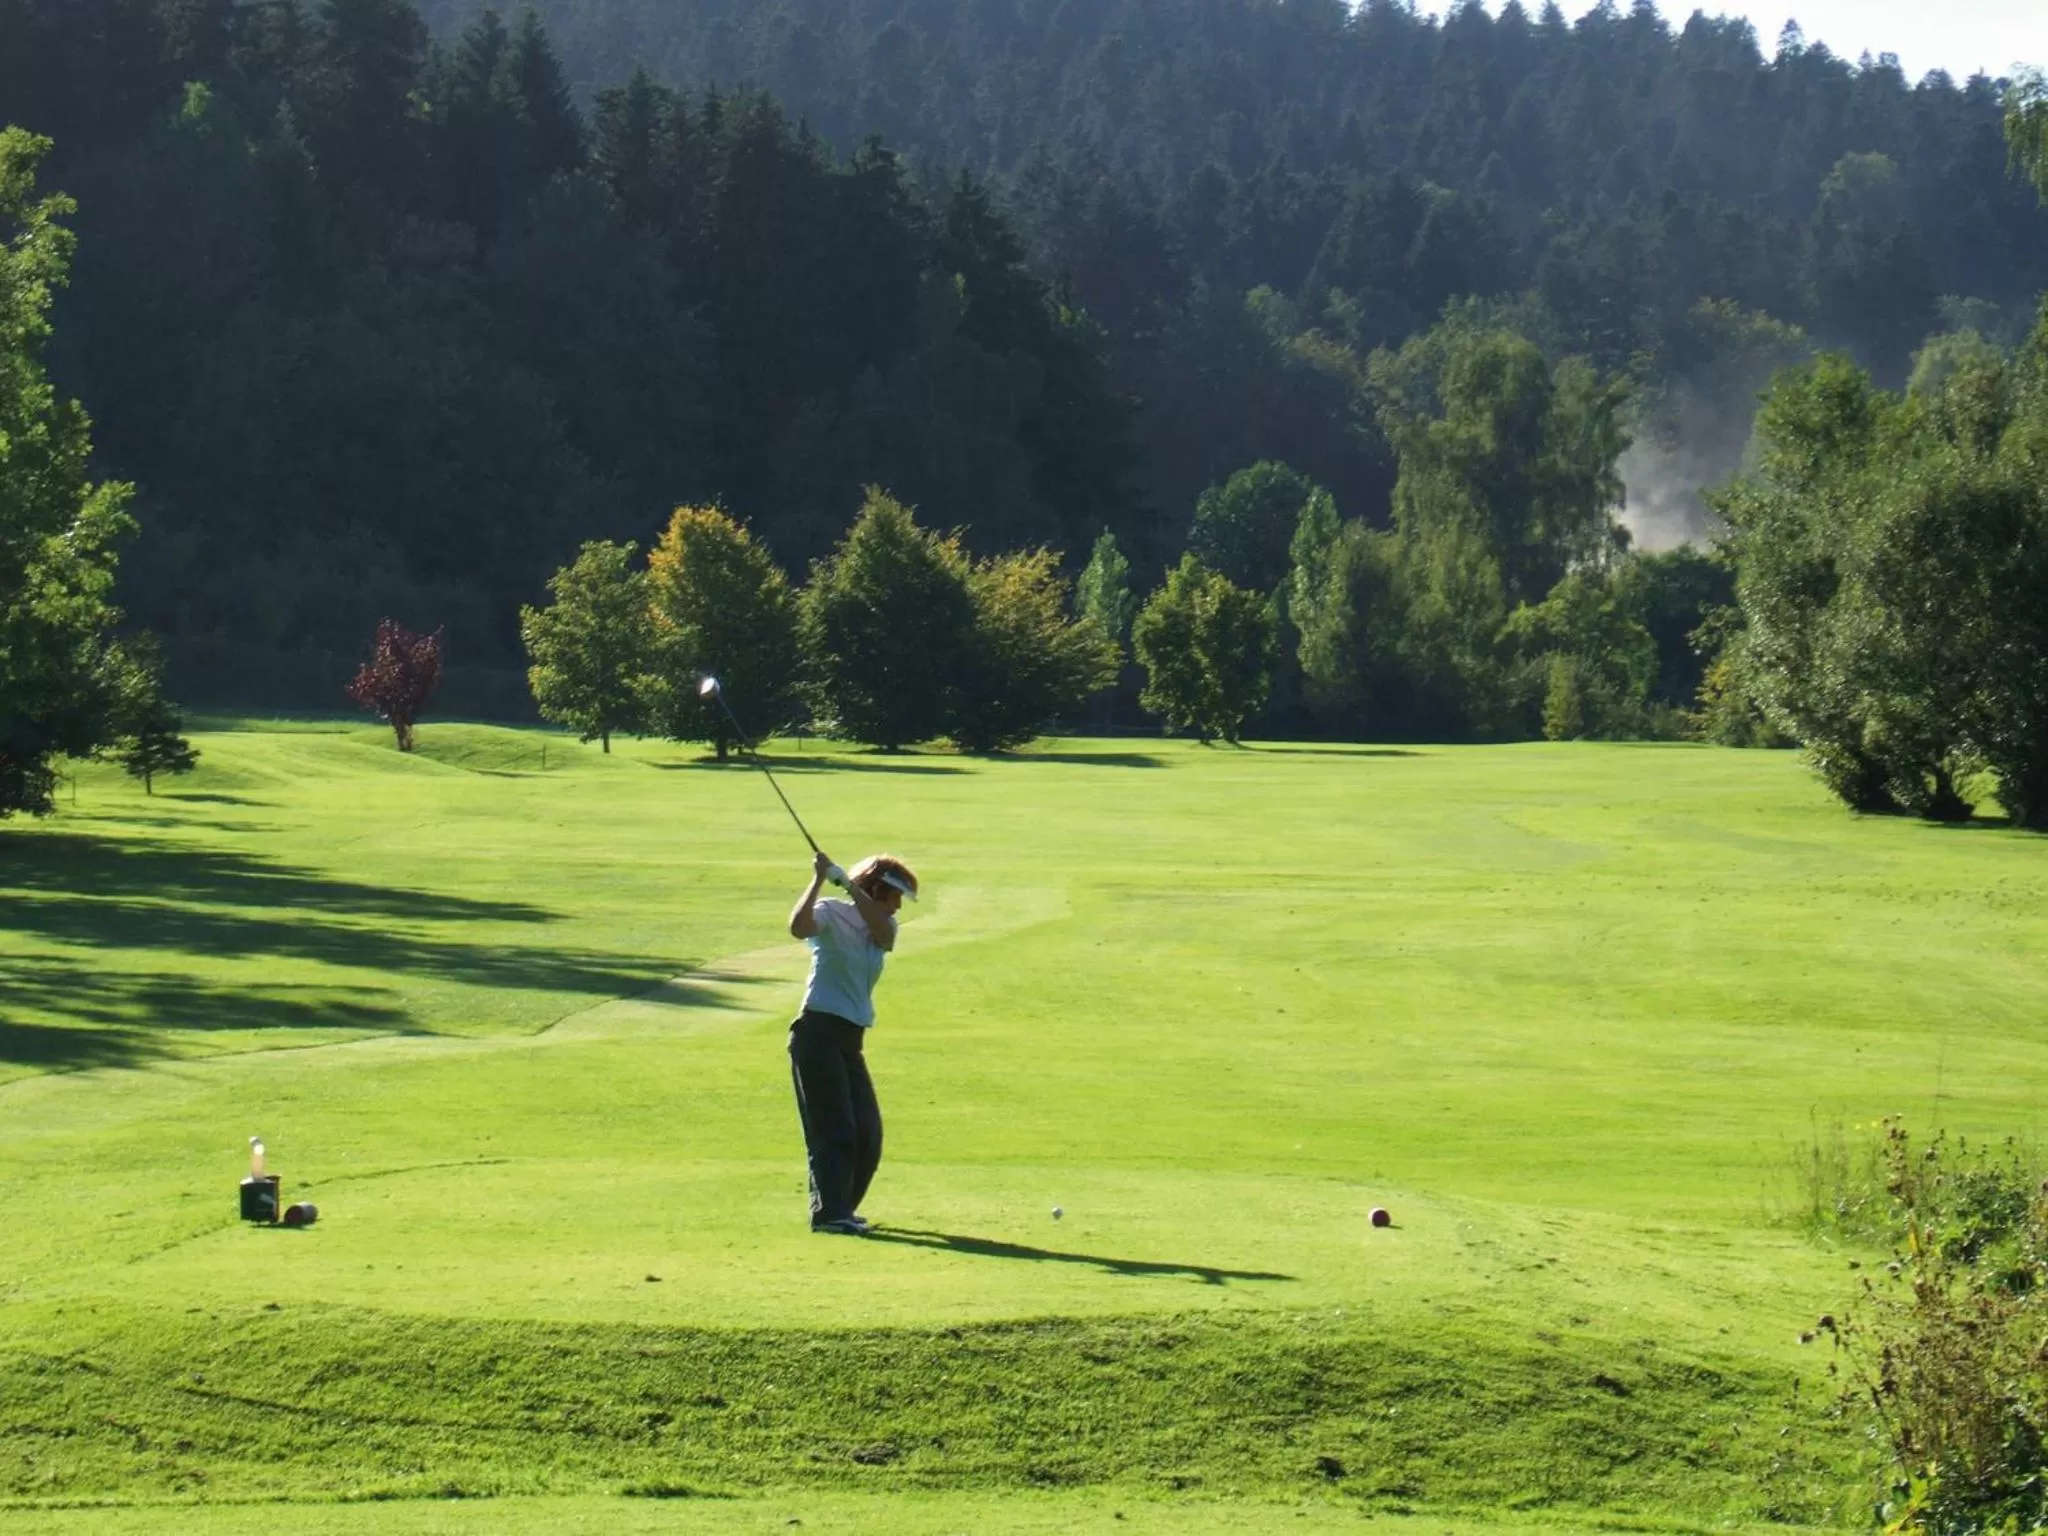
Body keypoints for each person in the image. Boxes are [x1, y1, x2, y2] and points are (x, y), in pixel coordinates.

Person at [787, 849, 919, 1235]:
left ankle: (842, 1209)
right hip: (817, 1032)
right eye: (895, 897)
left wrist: (846, 882)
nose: (898, 908)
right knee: (836, 1129)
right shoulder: (831, 912)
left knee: (868, 1134)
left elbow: (884, 933)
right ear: (879, 889)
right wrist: (818, 880)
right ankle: (830, 1214)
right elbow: (798, 927)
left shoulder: (883, 927)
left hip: (850, 1038)